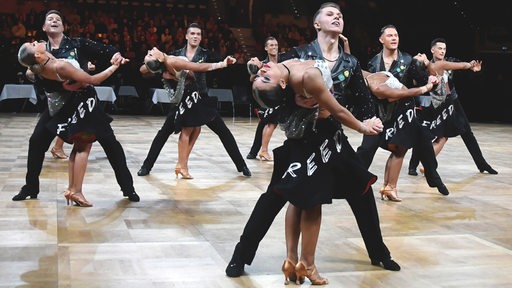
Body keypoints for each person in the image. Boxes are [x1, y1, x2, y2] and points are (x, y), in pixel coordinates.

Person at [226, 3, 400, 278]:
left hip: (335, 137)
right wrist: (306, 109)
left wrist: (372, 120)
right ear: (316, 24)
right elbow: (275, 95)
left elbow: (362, 100)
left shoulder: (351, 63)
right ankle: (241, 256)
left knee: (363, 194)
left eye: (339, 14)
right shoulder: (298, 56)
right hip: (304, 140)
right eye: (329, 14)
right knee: (273, 198)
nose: (337, 16)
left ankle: (379, 253)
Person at [251, 58, 383, 284]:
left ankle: (291, 261)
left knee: (296, 200)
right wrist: (363, 127)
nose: (262, 71)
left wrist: (253, 69)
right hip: (318, 134)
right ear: (283, 85)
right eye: (264, 77)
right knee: (312, 201)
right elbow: (338, 111)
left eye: (259, 76)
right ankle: (308, 266)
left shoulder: (282, 66)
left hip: (304, 138)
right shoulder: (307, 78)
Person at [11, 10, 139, 202]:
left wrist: (116, 55)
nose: (54, 20)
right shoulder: (39, 52)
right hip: (58, 105)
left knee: (111, 145)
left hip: (83, 102)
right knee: (36, 142)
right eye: (50, 19)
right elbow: (35, 77)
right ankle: (30, 187)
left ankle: (128, 188)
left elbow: (105, 50)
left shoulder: (78, 44)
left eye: (58, 19)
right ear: (44, 28)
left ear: (63, 26)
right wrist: (58, 83)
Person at [18, 40, 125, 206]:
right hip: (82, 101)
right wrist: (114, 67)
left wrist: (80, 69)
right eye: (32, 45)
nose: (35, 41)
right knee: (83, 146)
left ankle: (72, 189)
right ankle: (76, 191)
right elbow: (93, 80)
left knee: (79, 147)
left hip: (76, 100)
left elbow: (34, 71)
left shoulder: (45, 63)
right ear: (37, 55)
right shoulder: (59, 66)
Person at [137, 23, 251, 178]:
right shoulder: (176, 54)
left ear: (201, 37)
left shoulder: (205, 53)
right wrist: (159, 70)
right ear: (186, 36)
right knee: (163, 133)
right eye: (192, 33)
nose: (195, 36)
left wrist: (227, 61)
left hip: (201, 99)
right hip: (182, 100)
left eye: (198, 34)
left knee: (223, 132)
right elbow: (147, 68)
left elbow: (212, 64)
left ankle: (242, 165)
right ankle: (146, 166)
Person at [357, 24, 449, 197]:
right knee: (367, 149)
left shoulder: (408, 60)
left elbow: (423, 82)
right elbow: (370, 86)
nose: (394, 38)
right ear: (381, 39)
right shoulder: (373, 62)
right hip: (379, 112)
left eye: (396, 35)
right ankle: (352, 180)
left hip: (403, 111)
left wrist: (430, 77)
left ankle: (391, 187)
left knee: (400, 148)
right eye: (390, 35)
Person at [408, 38, 498, 175]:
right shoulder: (424, 66)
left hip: (452, 102)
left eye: (444, 49)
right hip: (434, 105)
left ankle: (482, 164)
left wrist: (471, 67)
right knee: (426, 135)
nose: (442, 51)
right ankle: (414, 166)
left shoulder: (448, 61)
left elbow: (460, 65)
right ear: (432, 50)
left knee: (466, 133)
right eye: (440, 48)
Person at [246, 36, 284, 161]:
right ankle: (263, 151)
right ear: (266, 48)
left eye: (276, 45)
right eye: (271, 45)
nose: (274, 47)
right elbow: (252, 79)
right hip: (269, 97)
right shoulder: (262, 63)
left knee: (264, 123)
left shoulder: (284, 60)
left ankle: (254, 152)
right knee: (271, 123)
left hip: (283, 96)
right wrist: (257, 72)